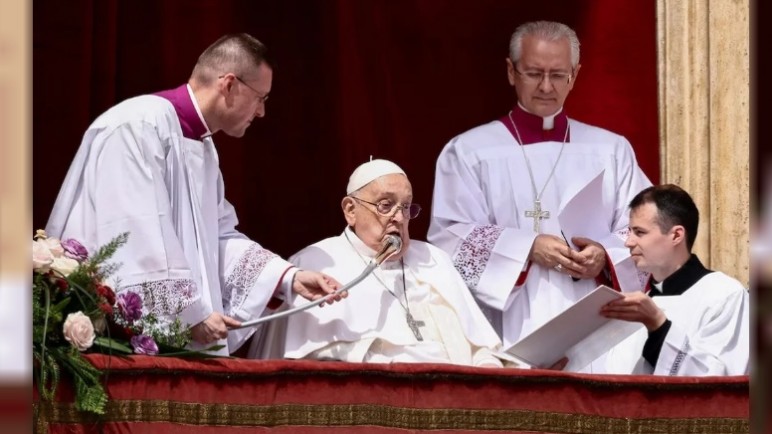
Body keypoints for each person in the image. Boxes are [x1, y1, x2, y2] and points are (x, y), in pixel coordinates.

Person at [45, 33, 342, 356]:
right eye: (261, 98)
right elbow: (134, 233)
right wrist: (189, 315)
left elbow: (218, 238)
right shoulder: (137, 126)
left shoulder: (204, 147)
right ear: (229, 84)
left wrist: (286, 277)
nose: (261, 113)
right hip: (117, 348)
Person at [427, 20, 652, 360]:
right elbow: (450, 237)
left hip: (598, 324)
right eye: (534, 73)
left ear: (574, 75)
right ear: (511, 71)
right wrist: (527, 247)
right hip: (510, 318)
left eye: (558, 74)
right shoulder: (469, 151)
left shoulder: (611, 150)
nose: (546, 86)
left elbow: (646, 227)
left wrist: (604, 255)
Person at [260, 159, 503, 367]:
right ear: (350, 210)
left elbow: (479, 347)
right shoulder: (315, 262)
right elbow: (309, 363)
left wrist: (488, 366)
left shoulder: (435, 260)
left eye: (406, 207)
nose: (398, 217)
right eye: (386, 205)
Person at [599, 185, 749, 375]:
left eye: (639, 232)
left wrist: (658, 326)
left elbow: (716, 386)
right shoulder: (634, 307)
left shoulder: (725, 295)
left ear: (676, 235)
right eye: (629, 232)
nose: (628, 242)